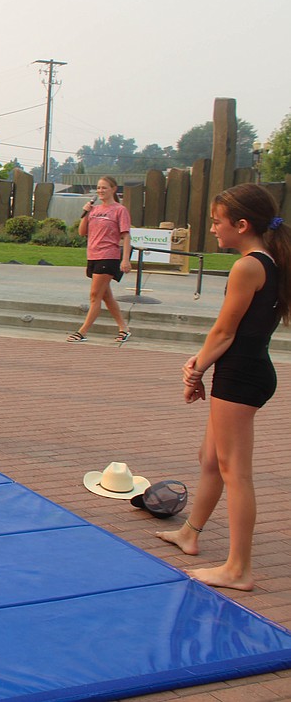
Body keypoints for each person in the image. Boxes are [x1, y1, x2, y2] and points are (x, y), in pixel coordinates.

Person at [156, 184, 291, 591]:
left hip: (241, 375)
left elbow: (225, 331)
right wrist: (201, 367)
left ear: (242, 224)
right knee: (210, 458)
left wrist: (195, 370)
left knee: (236, 472)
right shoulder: (270, 261)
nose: (213, 229)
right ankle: (190, 532)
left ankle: (238, 569)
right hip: (241, 371)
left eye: (217, 222)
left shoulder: (248, 266)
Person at [68, 175, 133, 343]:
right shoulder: (94, 210)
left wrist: (125, 260)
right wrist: (86, 213)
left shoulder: (120, 210)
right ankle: (123, 328)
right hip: (93, 256)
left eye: (104, 187)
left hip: (109, 256)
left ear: (113, 189)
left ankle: (82, 331)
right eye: (98, 188)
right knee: (106, 296)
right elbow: (82, 232)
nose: (100, 191)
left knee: (94, 295)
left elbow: (126, 236)